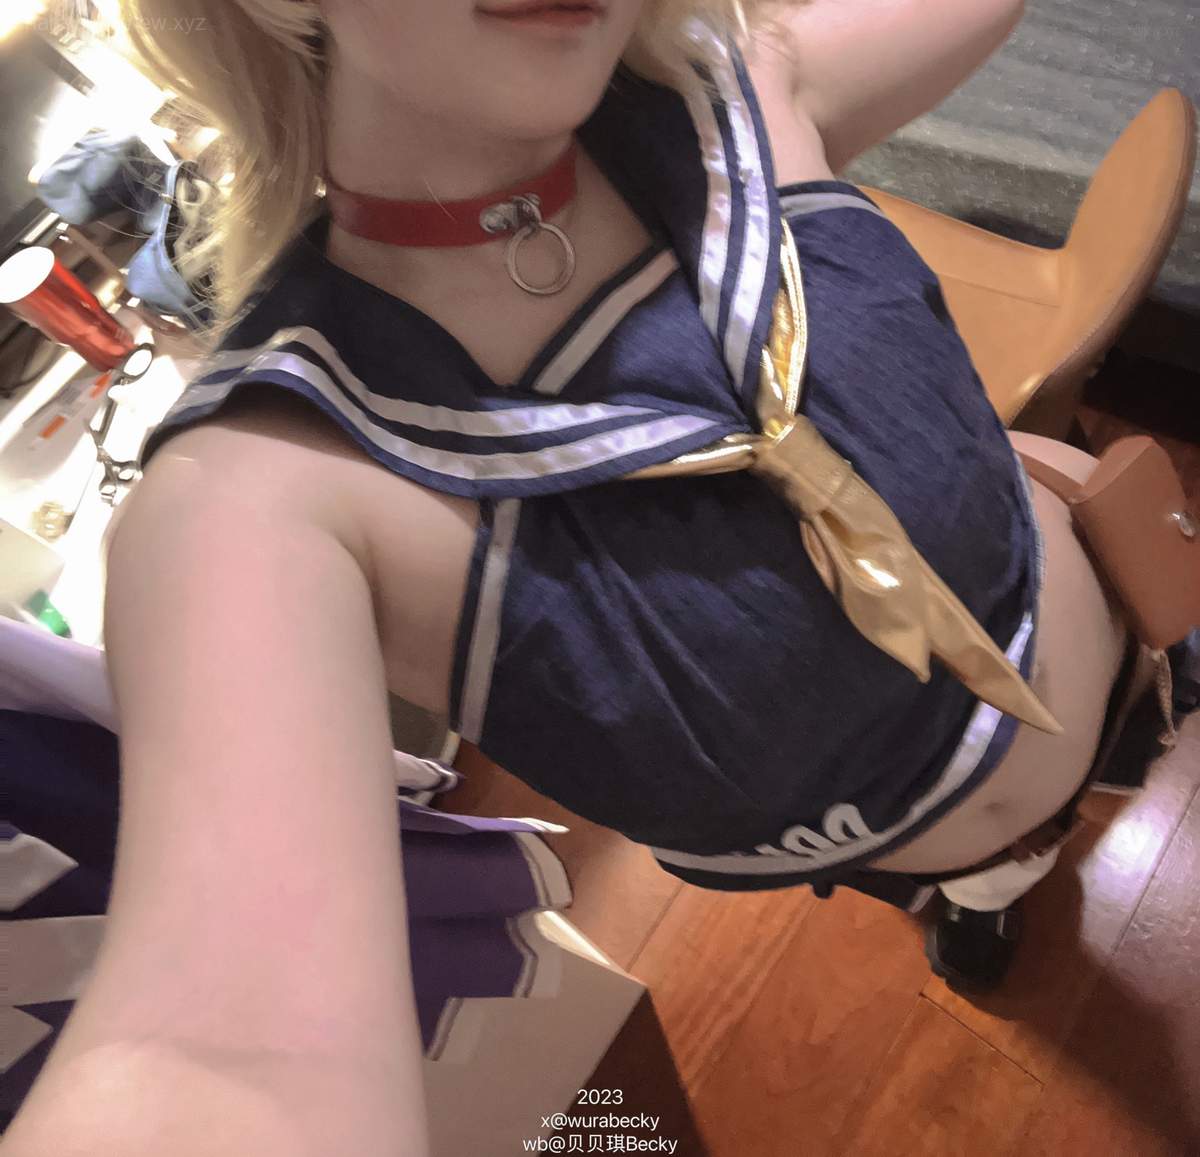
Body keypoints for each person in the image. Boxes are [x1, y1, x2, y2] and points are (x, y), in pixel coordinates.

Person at [4, 1, 1144, 1153]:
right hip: (921, 847)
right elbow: (218, 1055)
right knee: (996, 885)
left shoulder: (747, 92)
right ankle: (988, 892)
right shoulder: (257, 498)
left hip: (1131, 624)